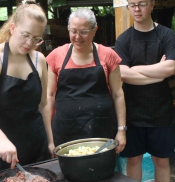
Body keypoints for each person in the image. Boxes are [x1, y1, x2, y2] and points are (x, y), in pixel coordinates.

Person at [0, 0, 54, 174]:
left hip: (37, 147)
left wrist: (50, 141)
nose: (29, 43)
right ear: (12, 28)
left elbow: (43, 105)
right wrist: (1, 141)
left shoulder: (39, 60)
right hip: (1, 152)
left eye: (36, 39)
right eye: (25, 35)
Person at [114, 1, 175, 182]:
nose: (136, 9)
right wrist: (158, 75)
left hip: (161, 111)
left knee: (162, 161)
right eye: (132, 4)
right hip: (133, 111)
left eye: (141, 4)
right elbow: (122, 73)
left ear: (151, 5)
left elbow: (170, 67)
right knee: (133, 160)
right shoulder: (124, 39)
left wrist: (135, 71)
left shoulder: (166, 35)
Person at [46, 8, 126, 153]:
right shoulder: (56, 56)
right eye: (73, 31)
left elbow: (117, 94)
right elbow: (49, 97)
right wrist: (49, 138)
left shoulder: (108, 55)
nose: (77, 37)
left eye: (83, 31)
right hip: (65, 130)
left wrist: (121, 130)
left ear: (94, 30)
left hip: (101, 128)